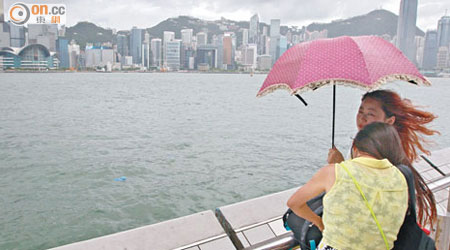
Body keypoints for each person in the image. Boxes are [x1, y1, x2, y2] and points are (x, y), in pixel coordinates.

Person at [288, 122, 410, 250]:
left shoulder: (333, 172)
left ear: (355, 148)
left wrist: (319, 222)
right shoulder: (400, 176)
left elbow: (294, 203)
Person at [327, 89, 438, 228]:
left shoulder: (383, 153)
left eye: (371, 114)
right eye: (360, 112)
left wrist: (339, 166)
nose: (362, 118)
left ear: (389, 120)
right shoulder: (366, 144)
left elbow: (365, 196)